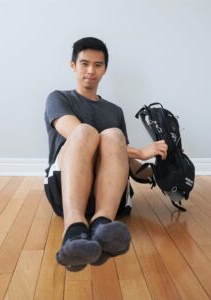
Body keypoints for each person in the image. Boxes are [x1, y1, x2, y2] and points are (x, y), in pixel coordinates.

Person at [44, 37, 168, 272]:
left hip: (111, 199)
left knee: (112, 135)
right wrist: (141, 151)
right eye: (84, 63)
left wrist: (163, 167)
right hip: (65, 191)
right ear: (73, 65)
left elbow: (126, 164)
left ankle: (102, 224)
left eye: (98, 65)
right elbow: (73, 133)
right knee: (85, 132)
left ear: (105, 69)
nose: (91, 71)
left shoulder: (114, 111)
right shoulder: (59, 98)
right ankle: (74, 230)